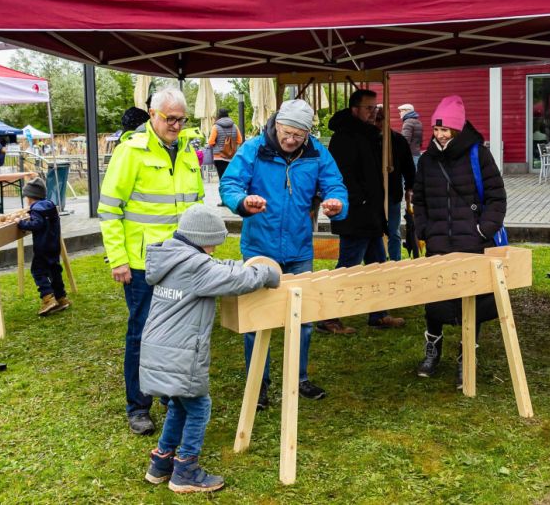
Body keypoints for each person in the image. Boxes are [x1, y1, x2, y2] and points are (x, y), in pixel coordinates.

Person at [141, 205, 280, 494]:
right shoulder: (196, 267)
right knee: (200, 406)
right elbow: (238, 280)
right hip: (181, 352)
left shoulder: (174, 256)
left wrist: (243, 263)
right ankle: (186, 471)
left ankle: (161, 463)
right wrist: (267, 273)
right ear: (200, 238)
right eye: (214, 242)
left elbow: (220, 268)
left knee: (180, 404)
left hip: (161, 347)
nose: (216, 248)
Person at [220, 99, 347, 409]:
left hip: (300, 249)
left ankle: (299, 377)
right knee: (256, 319)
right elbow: (230, 183)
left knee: (303, 319)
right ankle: (258, 383)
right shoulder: (253, 149)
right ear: (276, 125)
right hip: (259, 248)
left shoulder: (317, 152)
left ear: (307, 134)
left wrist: (336, 202)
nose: (291, 140)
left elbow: (335, 184)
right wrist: (241, 201)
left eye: (298, 136)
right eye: (287, 133)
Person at [97, 88, 204, 436]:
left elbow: (197, 203)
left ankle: (168, 393)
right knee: (142, 332)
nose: (175, 125)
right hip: (143, 262)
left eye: (181, 119)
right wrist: (119, 260)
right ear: (152, 114)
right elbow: (110, 210)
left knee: (177, 333)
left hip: (183, 258)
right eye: (169, 118)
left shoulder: (189, 150)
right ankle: (138, 405)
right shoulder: (130, 152)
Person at [412, 95, 506, 385]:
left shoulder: (479, 154)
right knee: (435, 299)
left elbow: (496, 197)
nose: (439, 135)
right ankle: (433, 347)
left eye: (445, 130)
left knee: (472, 301)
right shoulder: (428, 159)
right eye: (436, 129)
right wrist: (424, 229)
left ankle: (467, 353)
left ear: (457, 129)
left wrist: (483, 230)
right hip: (439, 241)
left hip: (471, 241)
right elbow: (421, 198)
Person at [323, 88, 404, 333]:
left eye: (375, 108)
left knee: (377, 264)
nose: (373, 113)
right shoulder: (345, 137)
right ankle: (328, 316)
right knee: (348, 266)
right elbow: (342, 177)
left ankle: (378, 313)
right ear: (354, 109)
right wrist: (361, 202)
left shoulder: (367, 134)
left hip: (370, 214)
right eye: (369, 108)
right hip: (356, 214)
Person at [18, 177, 70, 316]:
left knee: (38, 271)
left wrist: (22, 224)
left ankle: (48, 298)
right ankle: (61, 297)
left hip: (42, 247)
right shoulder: (51, 206)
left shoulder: (36, 210)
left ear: (29, 198)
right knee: (54, 271)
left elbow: (37, 225)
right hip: (54, 246)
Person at [375, 105, 416, 262]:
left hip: (393, 194)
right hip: (373, 197)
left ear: (387, 120)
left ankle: (395, 263)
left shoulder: (398, 141)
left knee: (394, 231)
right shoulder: (367, 141)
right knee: (375, 232)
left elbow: (409, 168)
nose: (376, 124)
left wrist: (410, 188)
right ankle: (377, 263)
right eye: (374, 120)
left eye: (380, 120)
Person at [207, 108, 242, 185]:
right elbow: (239, 140)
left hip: (218, 156)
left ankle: (224, 194)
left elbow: (210, 142)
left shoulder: (215, 127)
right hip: (231, 157)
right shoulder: (235, 126)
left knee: (222, 178)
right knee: (230, 177)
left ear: (218, 116)